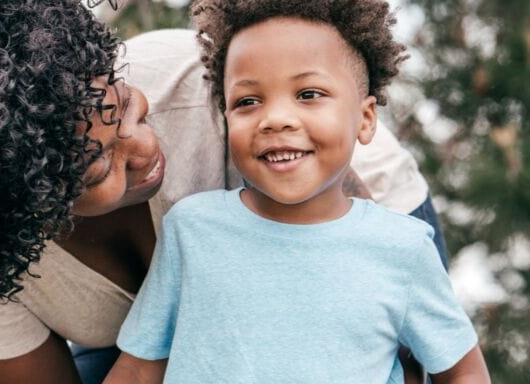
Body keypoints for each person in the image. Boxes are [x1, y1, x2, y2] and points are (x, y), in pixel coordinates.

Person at [0, 0, 446, 383]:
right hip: (127, 342)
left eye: (126, 109)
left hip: (345, 225)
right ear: (31, 211)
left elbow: (371, 292)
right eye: (98, 170)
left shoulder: (198, 90)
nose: (146, 152)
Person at [105, 0, 490, 383]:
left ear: (366, 119)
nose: (275, 119)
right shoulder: (190, 229)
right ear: (225, 120)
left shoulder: (404, 250)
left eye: (308, 94)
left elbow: (463, 372)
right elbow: (139, 369)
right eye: (248, 101)